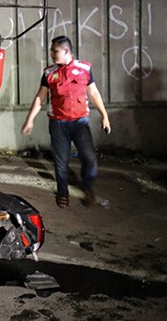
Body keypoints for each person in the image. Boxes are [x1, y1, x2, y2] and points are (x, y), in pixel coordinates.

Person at [21, 36, 111, 208]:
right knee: (61, 161)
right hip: (58, 124)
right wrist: (29, 120)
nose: (52, 54)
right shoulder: (49, 73)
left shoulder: (84, 69)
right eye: (51, 51)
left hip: (80, 123)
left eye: (55, 51)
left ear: (66, 51)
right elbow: (40, 97)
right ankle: (63, 193)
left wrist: (104, 115)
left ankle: (88, 188)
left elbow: (94, 93)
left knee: (90, 158)